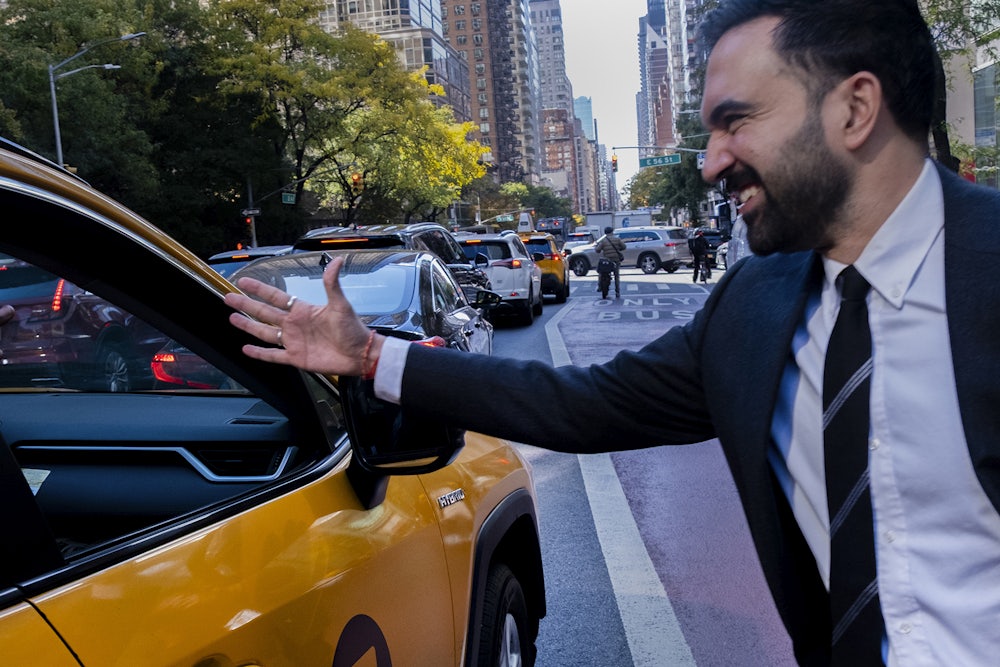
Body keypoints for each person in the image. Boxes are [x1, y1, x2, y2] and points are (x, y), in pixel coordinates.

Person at [225, 1, 1000, 664]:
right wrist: (368, 356)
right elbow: (580, 403)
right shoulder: (752, 309)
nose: (710, 162)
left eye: (736, 122)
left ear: (854, 110)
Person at [593, 226, 626, 297]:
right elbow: (624, 247)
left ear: (605, 233)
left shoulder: (603, 241)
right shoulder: (617, 239)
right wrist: (618, 249)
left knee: (601, 273)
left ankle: (599, 286)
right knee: (616, 276)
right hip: (616, 260)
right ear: (612, 232)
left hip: (607, 261)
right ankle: (617, 291)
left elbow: (597, 250)